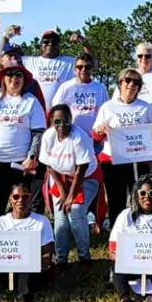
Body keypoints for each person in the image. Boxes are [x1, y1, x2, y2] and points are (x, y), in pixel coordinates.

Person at [0, 66, 47, 227]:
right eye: (9, 75)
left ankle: (21, 241)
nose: (14, 79)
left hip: (20, 165)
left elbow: (38, 132)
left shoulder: (31, 102)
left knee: (19, 206)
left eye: (18, 76)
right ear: (3, 78)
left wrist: (32, 156)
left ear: (24, 81)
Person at [92, 69, 152, 227]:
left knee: (141, 197)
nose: (131, 85)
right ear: (120, 83)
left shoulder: (145, 107)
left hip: (139, 161)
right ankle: (117, 232)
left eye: (136, 82)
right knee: (116, 199)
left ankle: (142, 228)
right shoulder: (107, 107)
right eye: (128, 80)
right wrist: (101, 130)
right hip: (112, 161)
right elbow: (96, 136)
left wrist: (150, 160)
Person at [0, 182, 54, 302]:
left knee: (28, 261)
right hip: (4, 271)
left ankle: (24, 301)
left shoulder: (41, 222)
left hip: (30, 273)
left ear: (30, 198)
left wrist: (45, 259)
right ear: (10, 200)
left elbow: (48, 250)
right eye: (16, 197)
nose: (20, 201)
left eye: (25, 197)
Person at [39, 103, 99, 272]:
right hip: (60, 178)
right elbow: (50, 167)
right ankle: (61, 260)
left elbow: (82, 169)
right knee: (60, 216)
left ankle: (84, 257)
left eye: (66, 121)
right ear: (51, 122)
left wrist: (70, 196)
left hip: (86, 178)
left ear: (71, 120)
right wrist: (63, 193)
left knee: (76, 210)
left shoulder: (79, 137)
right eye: (57, 122)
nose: (62, 126)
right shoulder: (48, 136)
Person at [1, 26, 97, 110]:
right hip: (35, 112)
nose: (50, 44)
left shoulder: (68, 62)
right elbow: (3, 60)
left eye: (54, 42)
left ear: (59, 46)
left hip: (60, 116)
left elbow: (92, 64)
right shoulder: (28, 61)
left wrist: (85, 43)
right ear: (40, 45)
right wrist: (6, 36)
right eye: (46, 42)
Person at [112, 42, 152, 158]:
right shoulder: (127, 76)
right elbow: (116, 100)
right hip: (129, 124)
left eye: (148, 56)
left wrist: (150, 107)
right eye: (140, 56)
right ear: (136, 58)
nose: (143, 59)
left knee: (150, 159)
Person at [0, 19, 46, 110]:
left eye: (17, 56)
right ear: (1, 60)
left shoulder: (31, 83)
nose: (14, 58)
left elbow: (41, 110)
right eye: (9, 55)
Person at [54, 54, 110, 141]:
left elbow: (107, 112)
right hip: (71, 138)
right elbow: (55, 112)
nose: (83, 70)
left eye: (87, 67)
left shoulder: (100, 88)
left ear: (92, 69)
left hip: (94, 140)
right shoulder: (65, 87)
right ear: (74, 69)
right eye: (80, 67)